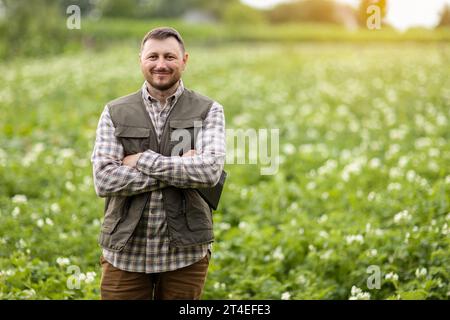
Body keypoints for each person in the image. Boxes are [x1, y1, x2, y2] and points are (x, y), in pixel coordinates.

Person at [90, 27, 226, 300]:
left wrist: (141, 160)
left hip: (186, 254)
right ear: (140, 59)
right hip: (125, 252)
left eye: (170, 57)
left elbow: (210, 171)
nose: (161, 65)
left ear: (184, 60)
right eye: (153, 56)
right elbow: (104, 179)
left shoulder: (209, 109)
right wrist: (182, 168)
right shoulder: (115, 111)